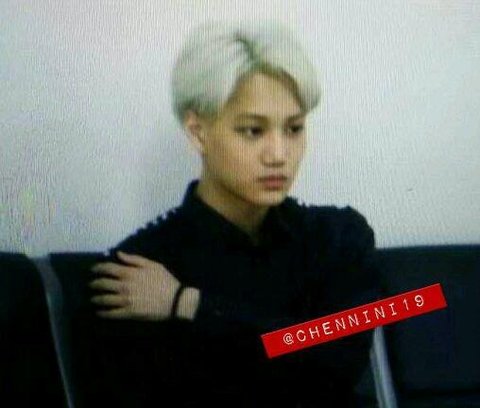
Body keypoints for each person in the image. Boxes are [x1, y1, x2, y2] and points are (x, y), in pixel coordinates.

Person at [85, 19, 381, 407]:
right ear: (198, 132)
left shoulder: (338, 237)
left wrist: (189, 305)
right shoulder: (139, 270)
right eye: (253, 131)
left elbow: (337, 362)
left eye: (293, 129)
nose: (279, 154)